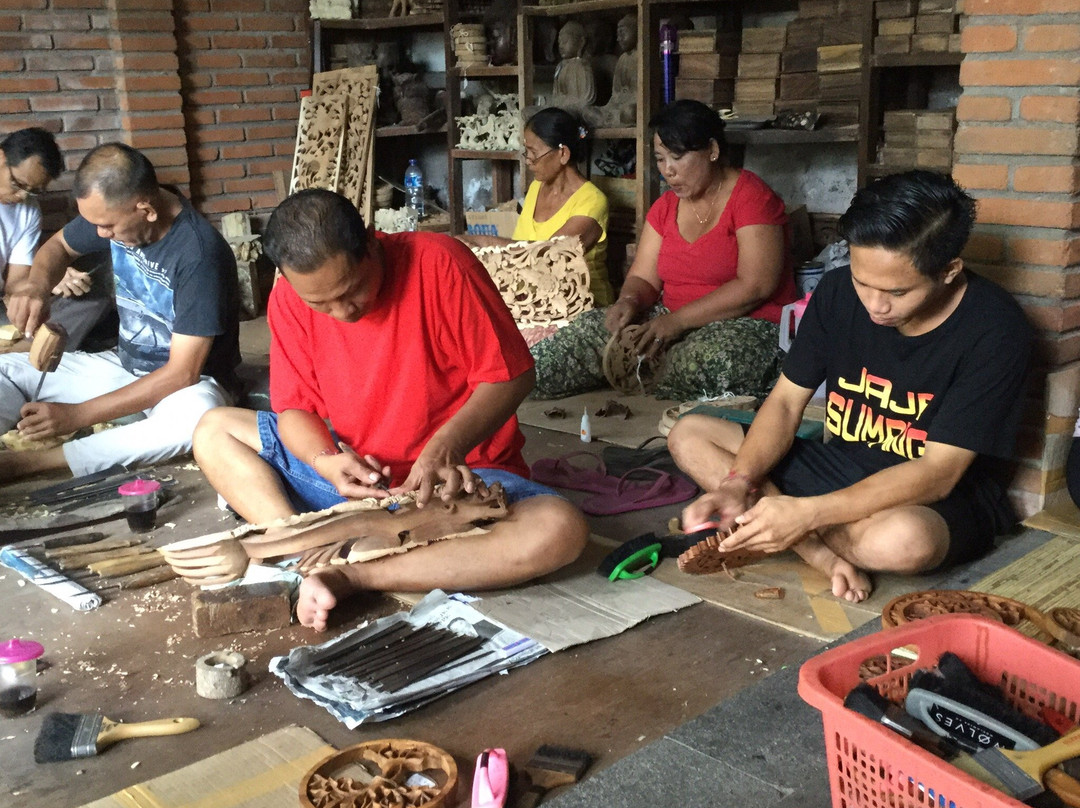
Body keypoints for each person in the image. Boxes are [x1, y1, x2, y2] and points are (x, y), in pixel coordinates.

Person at [192, 189, 588, 632]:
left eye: (352, 291)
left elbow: (512, 375)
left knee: (559, 529)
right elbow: (294, 412)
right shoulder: (288, 298)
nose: (342, 312)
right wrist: (327, 461)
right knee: (215, 427)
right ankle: (301, 547)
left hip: (453, 488)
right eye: (320, 304)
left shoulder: (439, 263)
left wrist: (446, 447)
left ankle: (351, 573)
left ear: (371, 243)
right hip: (361, 486)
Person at [672, 170, 1033, 603]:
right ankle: (817, 553)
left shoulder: (994, 329)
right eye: (864, 282)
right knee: (690, 433)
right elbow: (786, 403)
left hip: (930, 495)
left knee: (904, 542)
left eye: (897, 292)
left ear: (949, 271)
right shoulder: (838, 291)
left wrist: (808, 512)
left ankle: (783, 524)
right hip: (841, 465)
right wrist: (738, 482)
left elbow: (938, 474)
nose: (875, 306)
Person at [0, 142, 240, 482]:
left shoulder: (198, 255)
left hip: (186, 386)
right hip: (124, 367)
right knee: (4, 369)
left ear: (146, 210)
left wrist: (76, 416)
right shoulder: (113, 211)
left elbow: (182, 373)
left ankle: (33, 463)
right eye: (94, 224)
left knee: (201, 418)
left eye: (107, 226)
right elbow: (57, 247)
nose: (100, 234)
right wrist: (37, 287)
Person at [530, 99, 797, 402]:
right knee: (570, 345)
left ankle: (643, 372)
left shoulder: (751, 197)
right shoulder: (665, 207)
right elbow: (643, 278)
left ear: (712, 150)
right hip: (667, 319)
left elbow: (756, 285)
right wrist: (629, 301)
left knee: (704, 362)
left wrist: (678, 322)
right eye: (659, 159)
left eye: (677, 157)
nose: (667, 171)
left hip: (746, 324)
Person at [459, 107, 613, 305]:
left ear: (563, 153)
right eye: (526, 152)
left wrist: (484, 243)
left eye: (534, 153)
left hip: (581, 305)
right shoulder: (536, 188)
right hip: (537, 297)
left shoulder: (593, 201)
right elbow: (522, 247)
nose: (529, 161)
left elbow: (551, 257)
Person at [0, 127, 114, 350]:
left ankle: (20, 350)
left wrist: (51, 280)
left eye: (32, 191)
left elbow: (15, 285)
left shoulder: (28, 211)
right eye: (18, 184)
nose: (22, 196)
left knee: (93, 301)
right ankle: (30, 349)